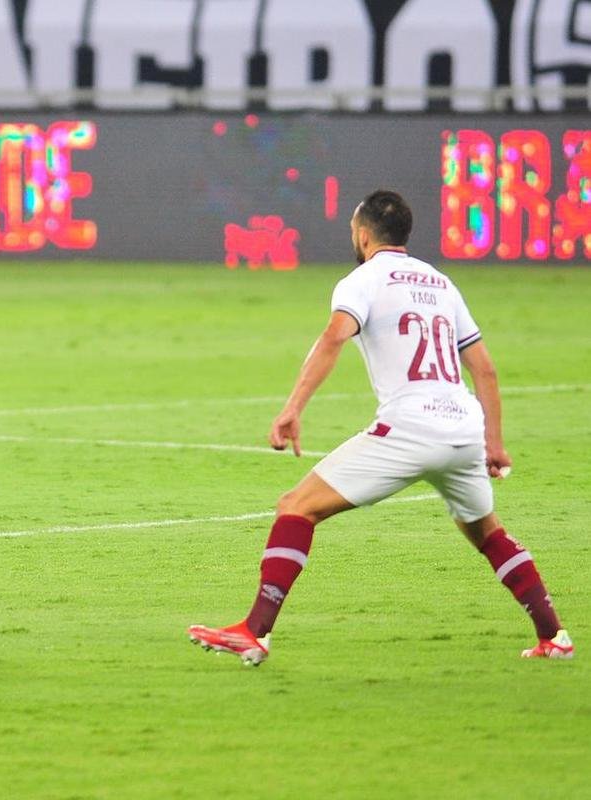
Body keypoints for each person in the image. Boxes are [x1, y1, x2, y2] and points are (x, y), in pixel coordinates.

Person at [188, 190, 573, 665]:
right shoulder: (442, 284)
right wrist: (494, 443)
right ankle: (553, 636)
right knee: (487, 533)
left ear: (364, 234)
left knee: (296, 507)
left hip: (411, 427)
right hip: (463, 429)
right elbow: (485, 369)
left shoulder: (362, 280)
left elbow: (334, 336)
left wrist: (292, 408)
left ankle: (255, 631)